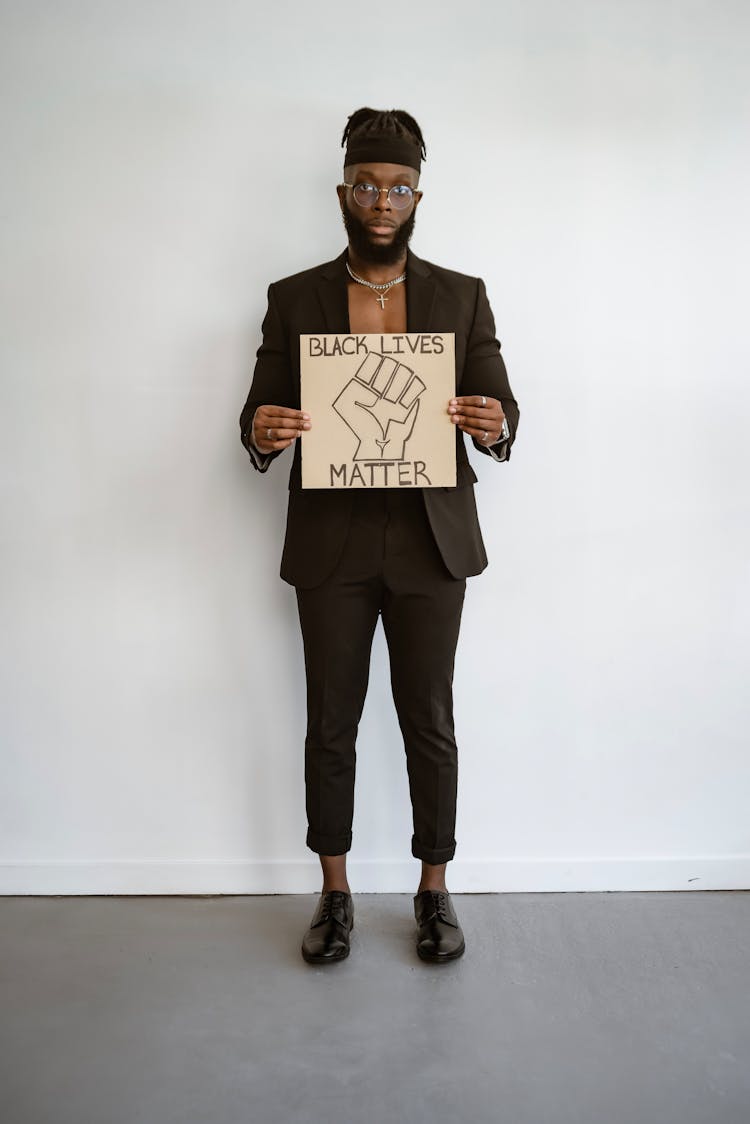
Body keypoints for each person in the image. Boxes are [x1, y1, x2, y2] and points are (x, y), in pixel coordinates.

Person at [239, 107, 519, 965]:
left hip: (431, 539)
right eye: (367, 186)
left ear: (417, 196)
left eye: (397, 187)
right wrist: (263, 431)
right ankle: (335, 892)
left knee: (428, 718)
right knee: (332, 719)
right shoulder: (295, 299)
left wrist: (493, 419)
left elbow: (500, 406)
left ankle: (435, 892)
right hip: (333, 537)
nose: (382, 200)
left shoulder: (460, 295)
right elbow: (255, 414)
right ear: (344, 193)